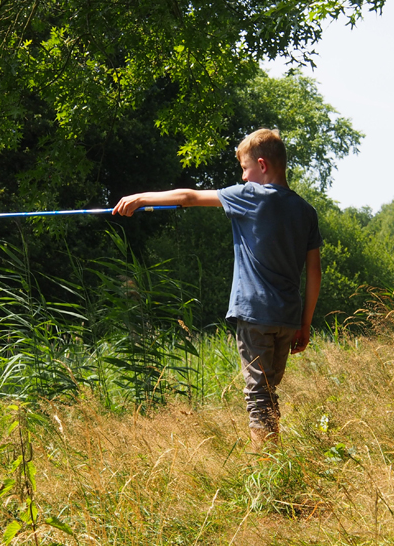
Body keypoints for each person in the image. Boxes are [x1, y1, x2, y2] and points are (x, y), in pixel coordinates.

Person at [113, 128, 322, 450]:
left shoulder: (250, 195)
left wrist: (141, 199)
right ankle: (274, 456)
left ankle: (266, 466)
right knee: (267, 392)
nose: (242, 176)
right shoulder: (306, 211)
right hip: (289, 318)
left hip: (255, 315)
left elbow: (189, 197)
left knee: (258, 395)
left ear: (262, 165)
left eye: (244, 168)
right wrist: (305, 324)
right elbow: (313, 271)